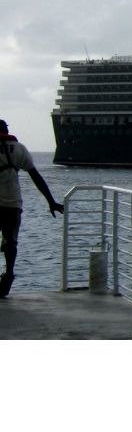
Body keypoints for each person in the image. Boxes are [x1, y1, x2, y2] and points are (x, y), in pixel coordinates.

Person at [0, 119, 64, 298]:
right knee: (11, 241)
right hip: (13, 203)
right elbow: (36, 177)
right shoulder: (19, 148)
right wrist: (51, 201)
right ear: (6, 129)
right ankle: (9, 272)